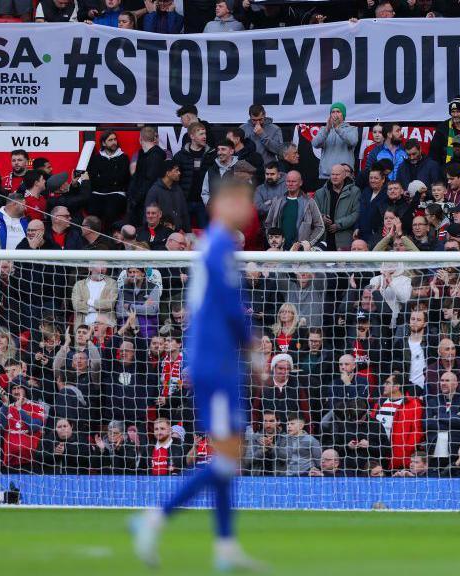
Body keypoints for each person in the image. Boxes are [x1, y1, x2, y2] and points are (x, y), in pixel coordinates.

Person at [132, 176, 261, 571]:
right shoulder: (219, 245)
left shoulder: (218, 246)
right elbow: (228, 305)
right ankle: (154, 518)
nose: (247, 208)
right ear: (222, 204)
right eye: (241, 199)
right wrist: (252, 346)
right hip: (216, 365)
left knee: (230, 458)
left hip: (222, 363)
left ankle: (224, 545)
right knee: (223, 460)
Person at [311, 103, 358, 181]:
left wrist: (337, 129)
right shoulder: (324, 129)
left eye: (338, 112)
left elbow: (353, 142)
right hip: (326, 175)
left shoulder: (352, 129)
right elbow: (315, 144)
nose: (335, 114)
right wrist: (327, 129)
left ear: (343, 115)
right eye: (333, 112)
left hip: (345, 176)